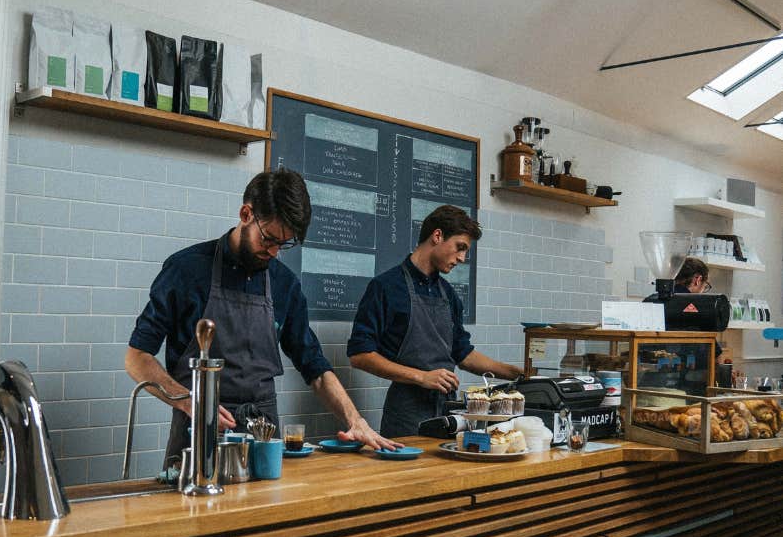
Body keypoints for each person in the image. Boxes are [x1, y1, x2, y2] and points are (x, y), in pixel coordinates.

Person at [126, 169, 397, 465]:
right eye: (268, 239)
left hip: (264, 437)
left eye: (284, 244)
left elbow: (315, 368)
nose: (274, 252)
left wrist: (354, 419)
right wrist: (192, 402)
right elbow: (137, 357)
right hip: (198, 432)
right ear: (246, 214)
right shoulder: (186, 270)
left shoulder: (285, 284)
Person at [347, 204, 524, 438]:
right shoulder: (385, 287)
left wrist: (518, 375)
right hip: (406, 414)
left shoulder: (449, 295)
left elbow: (464, 355)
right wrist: (422, 377)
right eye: (460, 248)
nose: (462, 258)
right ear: (437, 236)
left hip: (448, 412)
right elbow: (360, 355)